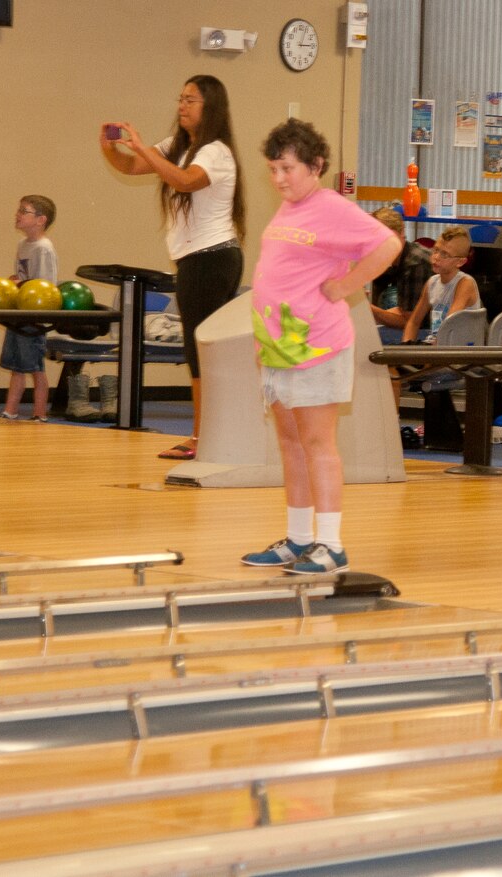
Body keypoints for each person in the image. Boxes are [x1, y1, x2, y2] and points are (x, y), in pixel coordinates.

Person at [238, 120, 402, 574]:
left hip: (317, 346)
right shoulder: (287, 209)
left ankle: (330, 545)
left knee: (317, 442)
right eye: (273, 169)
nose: (279, 179)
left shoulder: (331, 207)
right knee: (290, 443)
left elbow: (387, 244)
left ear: (316, 166)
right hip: (280, 347)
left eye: (287, 168)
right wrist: (262, 341)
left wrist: (347, 284)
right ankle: (299, 539)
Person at [100, 74, 245, 461]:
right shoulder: (180, 146)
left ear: (210, 107)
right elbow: (132, 168)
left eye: (191, 100)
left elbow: (183, 182)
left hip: (213, 257)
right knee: (199, 347)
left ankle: (203, 438)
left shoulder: (215, 151)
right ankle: (208, 435)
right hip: (197, 259)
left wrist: (143, 148)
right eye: (180, 98)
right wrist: (110, 148)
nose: (181, 105)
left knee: (201, 350)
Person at [1, 195, 57, 422]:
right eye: (19, 209)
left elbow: (44, 285)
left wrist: (20, 285)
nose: (18, 214)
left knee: (36, 367)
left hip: (34, 316)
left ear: (40, 220)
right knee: (16, 365)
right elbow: (23, 277)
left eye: (24, 211)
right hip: (19, 311)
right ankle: (10, 410)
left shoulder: (44, 248)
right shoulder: (22, 245)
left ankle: (39, 413)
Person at [399, 227, 481, 344]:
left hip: (457, 352)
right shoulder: (431, 283)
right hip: (435, 346)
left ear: (460, 262)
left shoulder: (465, 283)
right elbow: (413, 322)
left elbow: (448, 326)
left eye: (445, 254)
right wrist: (406, 348)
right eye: (435, 250)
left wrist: (430, 361)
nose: (436, 257)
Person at [365, 206, 432, 346]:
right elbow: (403, 310)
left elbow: (409, 321)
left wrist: (368, 309)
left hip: (431, 333)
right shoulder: (405, 256)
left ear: (402, 233)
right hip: (424, 326)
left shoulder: (415, 264)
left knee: (369, 339)